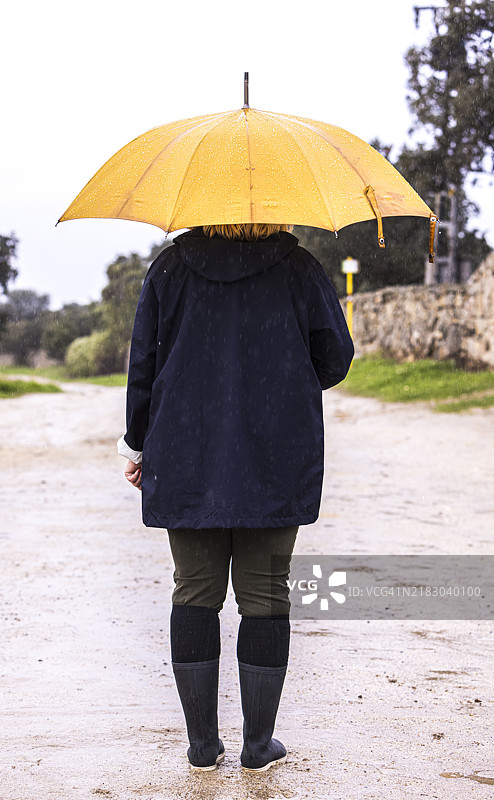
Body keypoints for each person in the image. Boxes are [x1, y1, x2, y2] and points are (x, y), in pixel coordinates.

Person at [117, 222, 354, 772]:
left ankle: (202, 745)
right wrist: (281, 377)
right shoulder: (299, 270)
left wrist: (138, 443)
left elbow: (143, 365)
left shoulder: (170, 269)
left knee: (194, 590)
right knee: (266, 594)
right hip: (275, 450)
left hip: (186, 448)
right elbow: (335, 358)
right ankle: (257, 745)